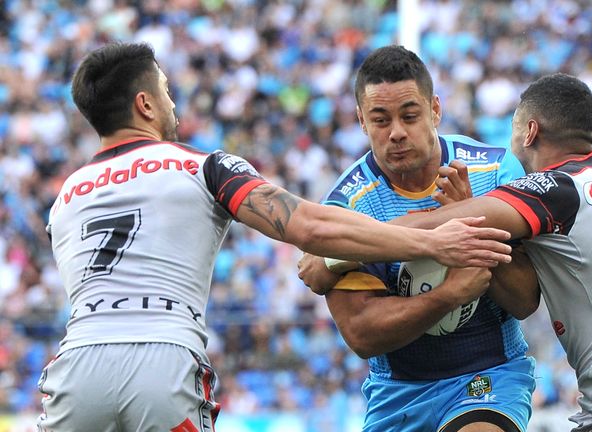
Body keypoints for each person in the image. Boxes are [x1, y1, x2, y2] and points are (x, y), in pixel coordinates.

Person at [37, 42, 516, 432]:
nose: (173, 103)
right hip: (161, 357)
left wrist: (326, 262)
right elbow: (310, 229)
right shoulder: (201, 165)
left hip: (76, 365)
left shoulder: (64, 198)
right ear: (145, 104)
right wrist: (434, 242)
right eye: (165, 90)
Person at [391, 73, 592, 431]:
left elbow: (435, 225)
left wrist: (334, 247)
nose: (512, 146)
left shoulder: (557, 189)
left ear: (530, 132)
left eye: (514, 132)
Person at [297, 45, 540, 432]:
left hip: (489, 375)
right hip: (398, 393)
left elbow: (526, 300)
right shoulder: (346, 206)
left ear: (435, 111)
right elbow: (361, 334)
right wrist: (448, 294)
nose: (396, 133)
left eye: (410, 116)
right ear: (361, 121)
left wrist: (473, 228)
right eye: (380, 120)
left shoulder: (494, 171)